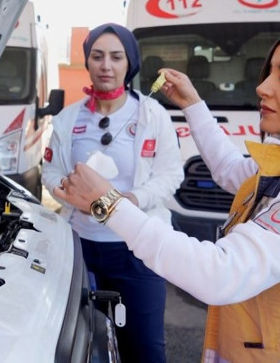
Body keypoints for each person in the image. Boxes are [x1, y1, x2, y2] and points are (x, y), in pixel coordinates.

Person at [55, 22, 280, 362]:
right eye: (268, 73)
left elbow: (219, 272)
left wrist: (110, 205)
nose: (262, 87)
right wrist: (193, 105)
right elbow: (232, 171)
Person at [42, 22, 183, 362]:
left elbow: (170, 174)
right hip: (80, 248)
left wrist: (129, 202)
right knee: (82, 345)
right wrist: (73, 195)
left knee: (146, 348)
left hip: (137, 249)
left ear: (129, 63)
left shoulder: (154, 115)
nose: (106, 66)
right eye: (98, 56)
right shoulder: (67, 119)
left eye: (116, 57)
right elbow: (51, 173)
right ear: (87, 62)